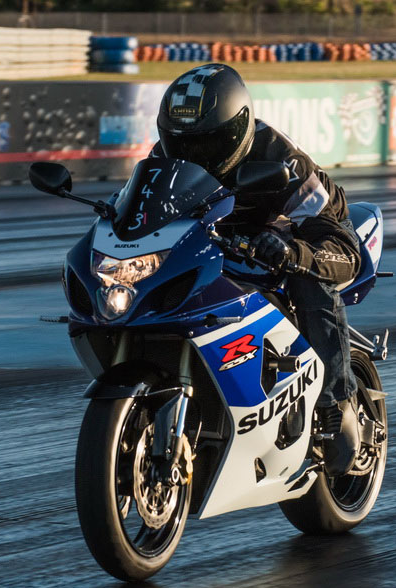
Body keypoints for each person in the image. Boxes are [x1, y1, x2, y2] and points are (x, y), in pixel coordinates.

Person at [152, 63, 362, 476]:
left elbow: (340, 247)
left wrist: (294, 251)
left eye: (208, 144)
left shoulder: (283, 160)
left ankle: (336, 403)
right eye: (183, 144)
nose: (195, 156)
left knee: (309, 277)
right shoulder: (165, 156)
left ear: (237, 130)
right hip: (220, 239)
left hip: (298, 234)